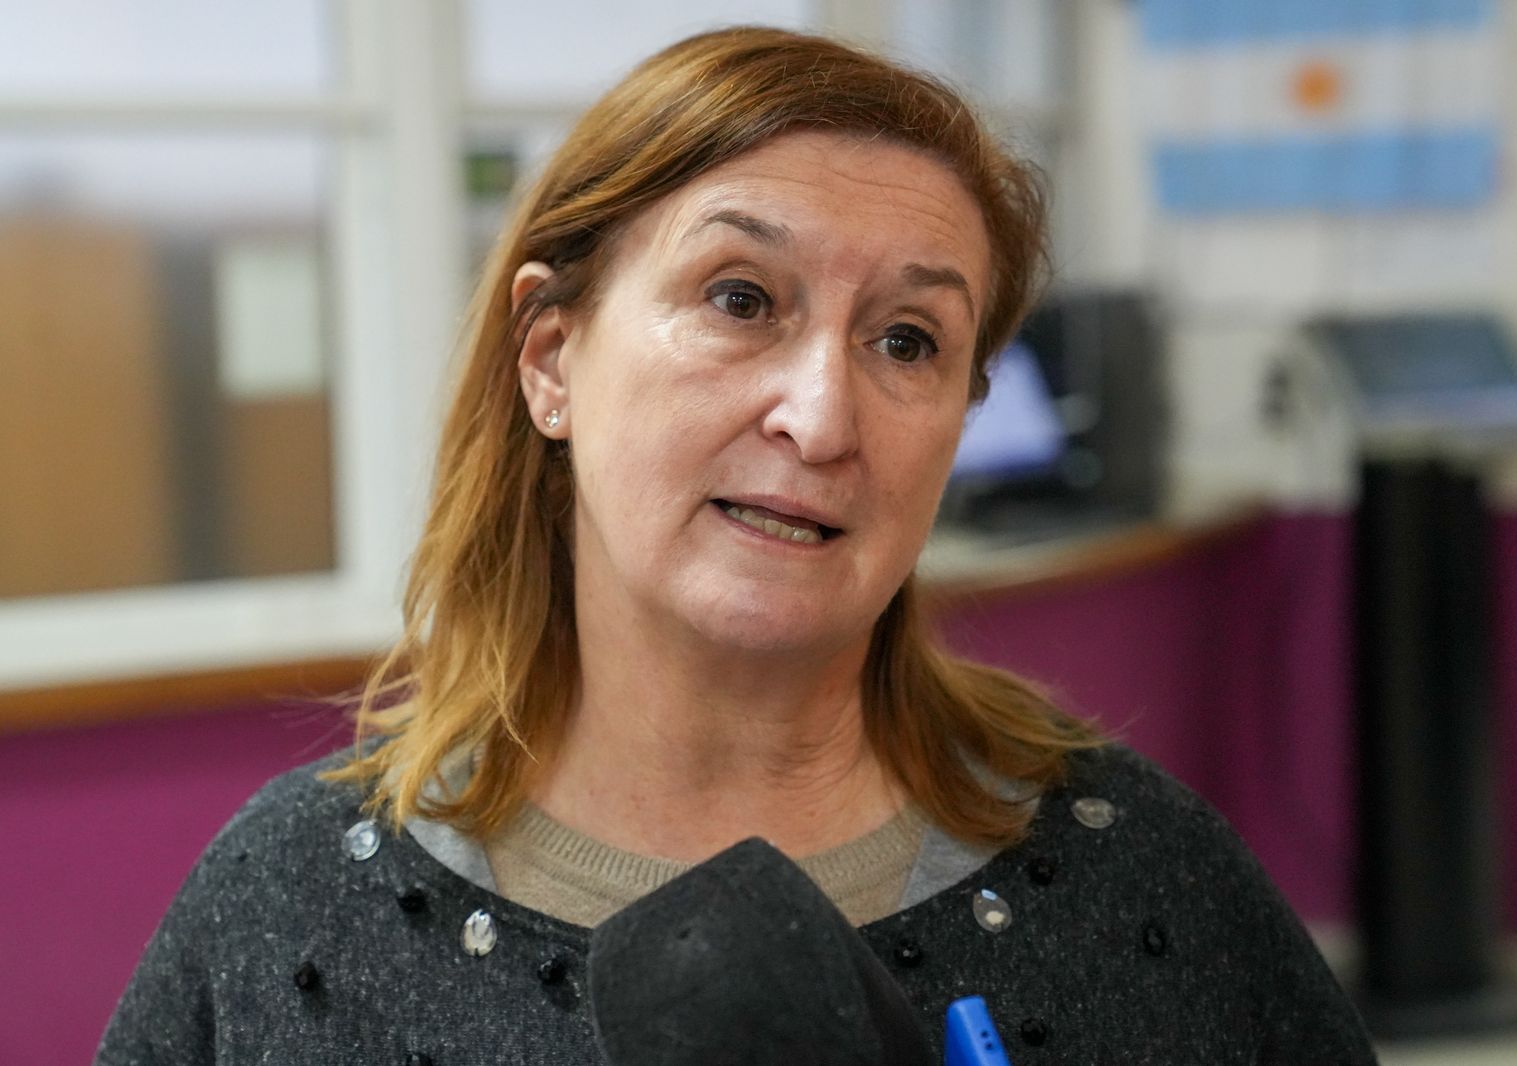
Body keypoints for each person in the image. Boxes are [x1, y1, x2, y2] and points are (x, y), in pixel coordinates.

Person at [97, 26, 1376, 1064]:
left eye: (907, 341)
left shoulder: (1142, 877)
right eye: (740, 299)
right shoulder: (291, 910)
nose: (821, 419)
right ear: (551, 358)